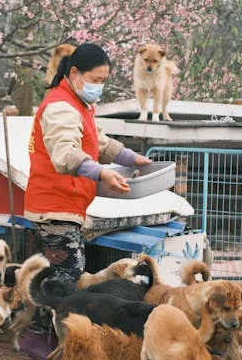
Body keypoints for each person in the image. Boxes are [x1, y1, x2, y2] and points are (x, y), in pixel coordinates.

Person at [25, 43, 152, 283]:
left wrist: (131, 158)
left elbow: (97, 141)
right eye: (96, 79)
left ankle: (44, 320)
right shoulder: (60, 107)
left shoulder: (78, 104)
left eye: (104, 81)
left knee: (52, 285)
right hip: (55, 207)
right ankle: (54, 321)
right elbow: (66, 153)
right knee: (66, 286)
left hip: (64, 207)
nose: (99, 86)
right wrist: (102, 173)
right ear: (74, 73)